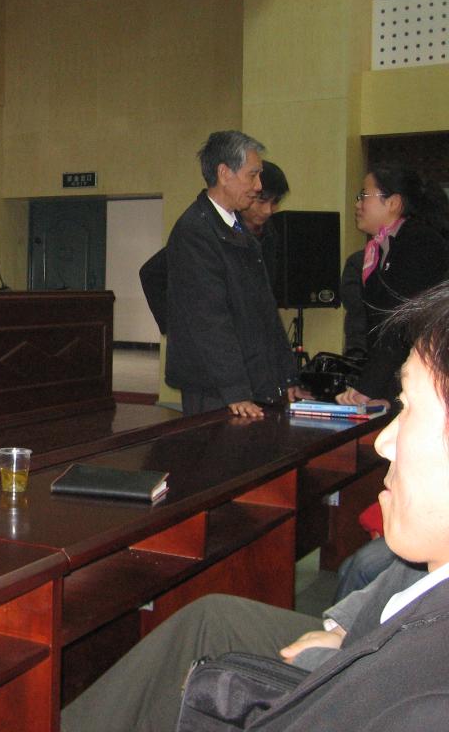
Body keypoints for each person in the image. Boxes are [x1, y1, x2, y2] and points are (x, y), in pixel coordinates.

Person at [63, 280, 449, 732]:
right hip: (368, 635)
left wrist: (339, 656)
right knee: (210, 616)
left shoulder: (424, 700)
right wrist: (346, 627)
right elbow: (410, 580)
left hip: (360, 674)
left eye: (410, 408)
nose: (383, 442)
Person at [165, 131, 304, 417]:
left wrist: (286, 374)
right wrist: (235, 389)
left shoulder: (238, 228)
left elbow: (264, 309)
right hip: (216, 388)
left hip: (248, 378)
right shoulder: (196, 231)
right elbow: (209, 319)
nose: (258, 186)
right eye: (252, 175)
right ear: (224, 173)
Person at [336, 165, 448, 407]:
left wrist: (369, 387)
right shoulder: (380, 248)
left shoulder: (419, 242)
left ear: (393, 203)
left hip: (423, 377)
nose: (358, 204)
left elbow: (400, 322)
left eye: (364, 195)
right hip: (395, 377)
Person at [139, 160, 289, 334]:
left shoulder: (269, 235)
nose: (268, 210)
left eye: (275, 202)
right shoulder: (209, 231)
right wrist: (178, 329)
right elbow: (151, 273)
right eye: (262, 201)